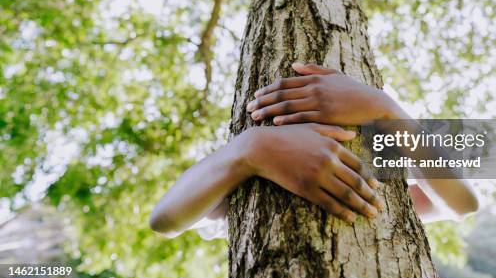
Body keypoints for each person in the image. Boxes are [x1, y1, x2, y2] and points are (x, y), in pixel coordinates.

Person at [149, 63, 478, 239]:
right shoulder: (230, 186)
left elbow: (462, 203)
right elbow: (166, 219)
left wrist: (389, 112)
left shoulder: (382, 187)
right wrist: (251, 147)